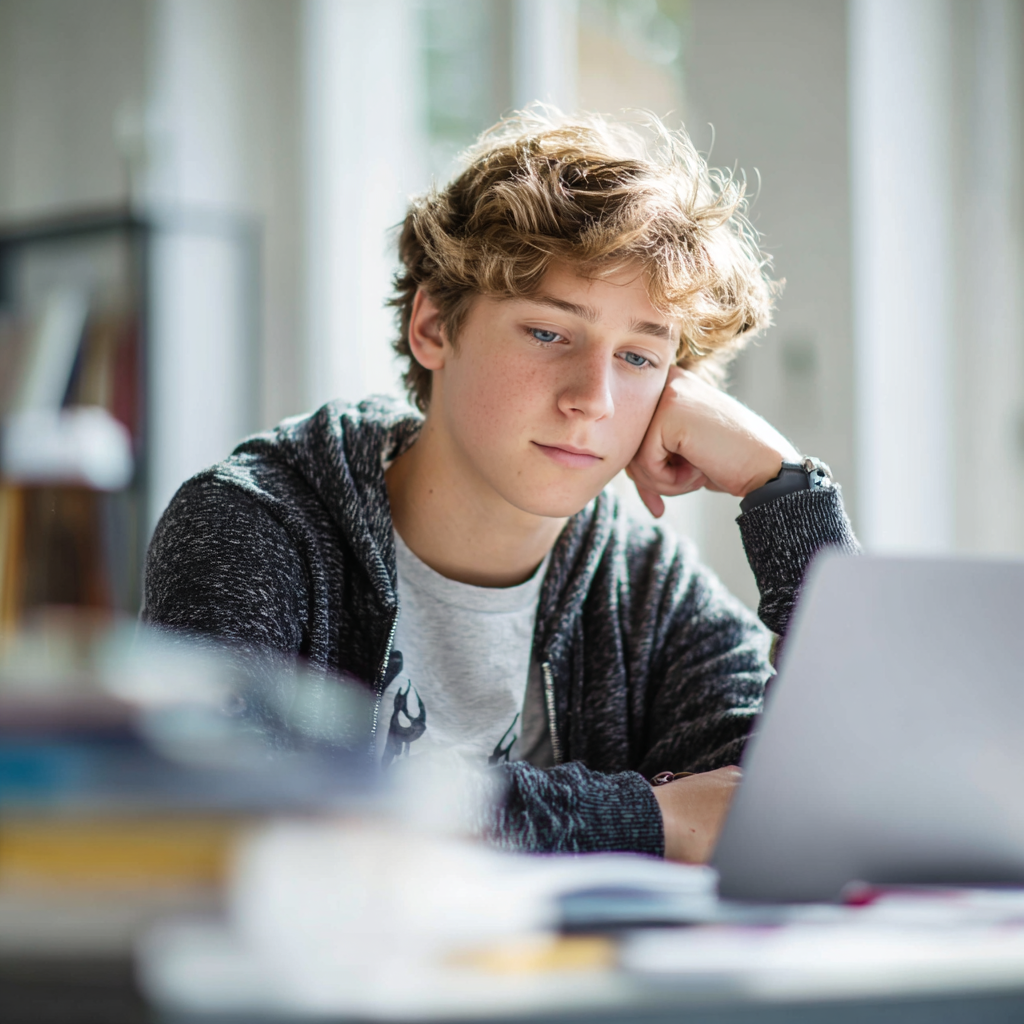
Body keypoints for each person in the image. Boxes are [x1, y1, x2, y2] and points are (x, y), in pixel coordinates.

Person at [143, 110, 858, 863]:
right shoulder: (254, 523)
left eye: (639, 358)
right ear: (433, 328)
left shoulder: (644, 589)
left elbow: (839, 799)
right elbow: (220, 809)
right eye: (550, 333)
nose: (593, 397)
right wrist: (644, 817)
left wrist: (786, 494)